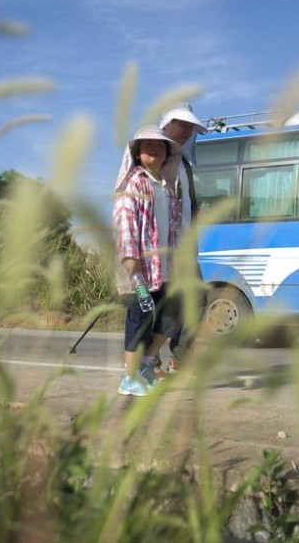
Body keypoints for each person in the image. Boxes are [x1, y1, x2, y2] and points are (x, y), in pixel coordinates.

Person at [113, 125, 183, 396]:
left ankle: (144, 364)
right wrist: (132, 265)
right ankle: (128, 379)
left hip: (165, 270)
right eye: (146, 145)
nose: (153, 148)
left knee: (172, 316)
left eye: (160, 145)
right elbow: (125, 222)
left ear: (167, 153)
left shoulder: (166, 186)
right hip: (140, 272)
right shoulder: (134, 183)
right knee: (140, 318)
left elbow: (173, 228)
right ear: (137, 154)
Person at [157, 101, 208, 374]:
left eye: (191, 126)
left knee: (197, 301)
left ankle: (181, 360)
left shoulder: (184, 164)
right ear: (167, 125)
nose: (189, 130)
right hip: (162, 248)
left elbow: (190, 203)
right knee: (160, 305)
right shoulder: (155, 156)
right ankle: (147, 362)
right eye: (183, 124)